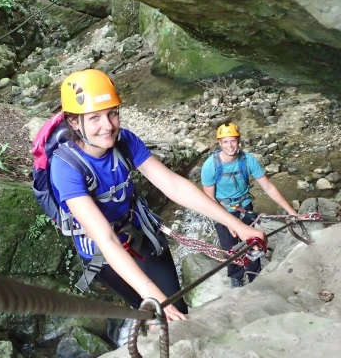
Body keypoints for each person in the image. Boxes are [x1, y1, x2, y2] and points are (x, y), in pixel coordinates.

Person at [49, 69, 266, 321]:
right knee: (156, 314)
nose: (107, 126)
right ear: (74, 122)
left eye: (112, 113)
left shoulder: (125, 141)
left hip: (142, 236)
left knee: (177, 308)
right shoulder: (65, 167)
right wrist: (150, 292)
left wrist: (235, 224)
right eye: (94, 118)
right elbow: (105, 238)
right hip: (102, 254)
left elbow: (172, 184)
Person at [201, 123, 298, 288]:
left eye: (233, 141)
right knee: (230, 249)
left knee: (253, 243)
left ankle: (255, 276)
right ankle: (236, 278)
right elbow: (208, 200)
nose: (230, 145)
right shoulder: (210, 166)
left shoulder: (247, 160)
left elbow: (268, 187)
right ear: (219, 143)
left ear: (238, 141)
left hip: (245, 208)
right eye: (225, 142)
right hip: (222, 211)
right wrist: (227, 222)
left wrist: (291, 212)